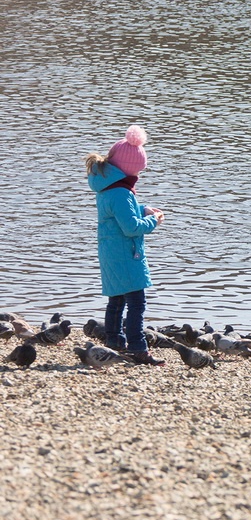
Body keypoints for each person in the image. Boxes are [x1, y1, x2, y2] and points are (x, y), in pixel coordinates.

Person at [85, 124, 165, 365]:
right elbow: (130, 227)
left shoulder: (107, 187)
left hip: (110, 251)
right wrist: (153, 220)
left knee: (117, 299)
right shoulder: (121, 192)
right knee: (137, 302)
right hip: (125, 253)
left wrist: (142, 209)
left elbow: (117, 215)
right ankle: (138, 347)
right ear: (130, 170)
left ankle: (114, 342)